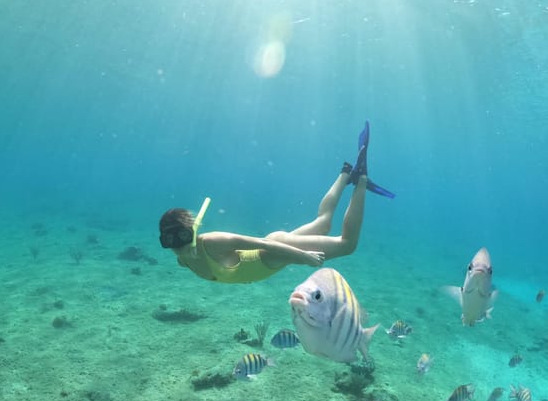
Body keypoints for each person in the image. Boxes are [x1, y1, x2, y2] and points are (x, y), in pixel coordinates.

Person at [158, 121, 394, 284]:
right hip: (273, 254)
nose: (178, 245)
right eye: (169, 241)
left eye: (182, 236)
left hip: (274, 249)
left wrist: (303, 257)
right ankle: (346, 173)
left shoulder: (211, 242)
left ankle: (361, 178)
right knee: (322, 224)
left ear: (193, 230)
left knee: (347, 245)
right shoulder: (183, 260)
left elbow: (263, 243)